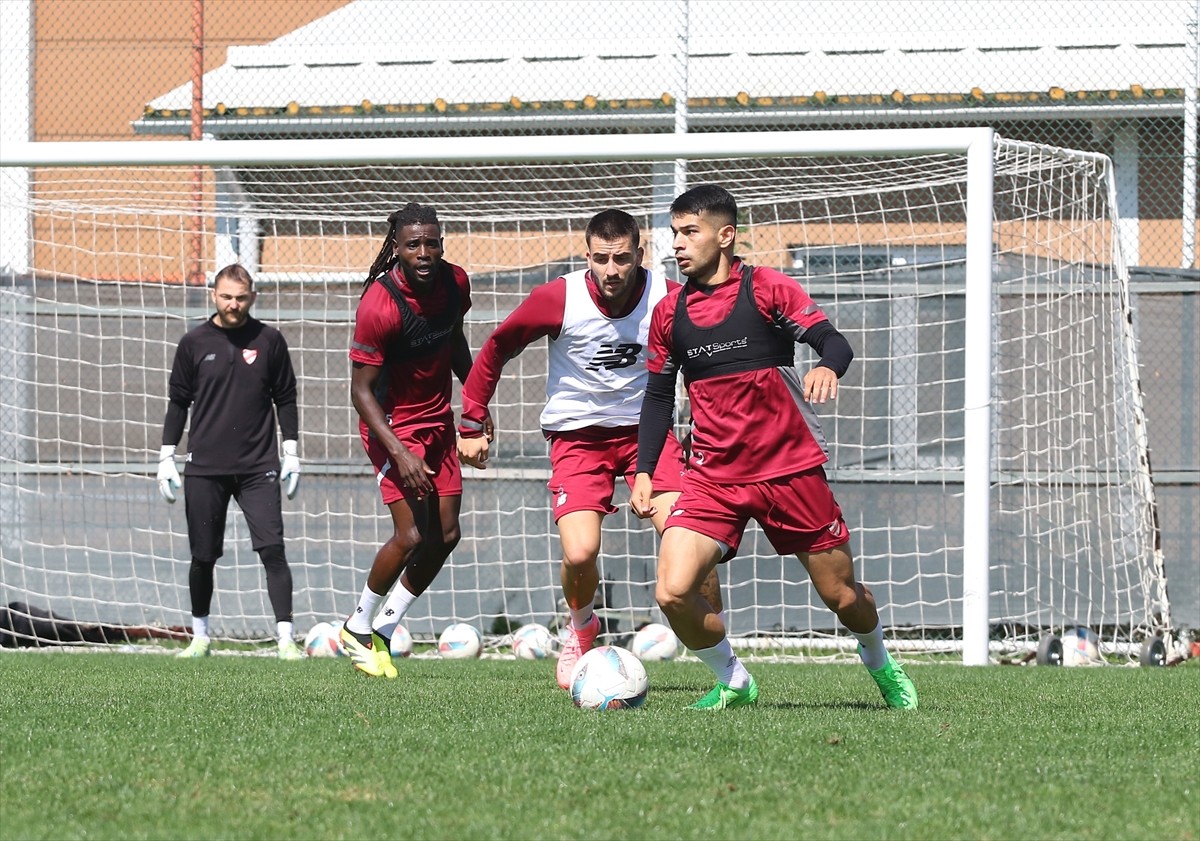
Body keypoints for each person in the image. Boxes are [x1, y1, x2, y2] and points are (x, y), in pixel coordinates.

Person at [631, 184, 918, 711]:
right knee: (672, 591)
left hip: (790, 469)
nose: (678, 244)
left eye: (690, 232)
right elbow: (655, 398)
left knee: (842, 596)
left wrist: (829, 366)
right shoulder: (669, 314)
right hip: (713, 476)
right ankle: (735, 681)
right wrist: (646, 469)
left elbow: (834, 342)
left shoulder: (767, 289)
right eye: (674, 234)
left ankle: (880, 661)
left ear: (726, 235)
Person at [457, 209, 723, 690]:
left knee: (690, 539)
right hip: (578, 438)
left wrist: (707, 427)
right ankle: (581, 631)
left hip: (649, 433)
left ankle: (720, 654)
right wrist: (472, 418)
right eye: (601, 259)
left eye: (622, 258)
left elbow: (711, 360)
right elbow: (498, 346)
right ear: (587, 257)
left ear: (640, 255)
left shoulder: (669, 296)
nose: (612, 270)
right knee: (581, 553)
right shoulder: (559, 297)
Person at [342, 202, 488, 679]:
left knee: (446, 535)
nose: (424, 252)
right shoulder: (379, 305)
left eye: (432, 242)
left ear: (441, 243)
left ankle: (385, 628)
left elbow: (455, 341)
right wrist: (399, 452)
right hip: (391, 428)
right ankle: (357, 626)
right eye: (413, 244)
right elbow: (360, 391)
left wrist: (477, 401)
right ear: (397, 248)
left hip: (438, 422)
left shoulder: (456, 282)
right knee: (412, 535)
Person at [156, 263, 304, 660]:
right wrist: (166, 456)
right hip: (205, 469)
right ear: (213, 296)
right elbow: (178, 404)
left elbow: (285, 398)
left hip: (259, 467)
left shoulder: (270, 340)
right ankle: (200, 636)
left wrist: (291, 451)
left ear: (252, 297)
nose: (233, 304)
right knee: (203, 556)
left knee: (273, 549)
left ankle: (286, 640)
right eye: (226, 296)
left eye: (240, 297)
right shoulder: (193, 343)